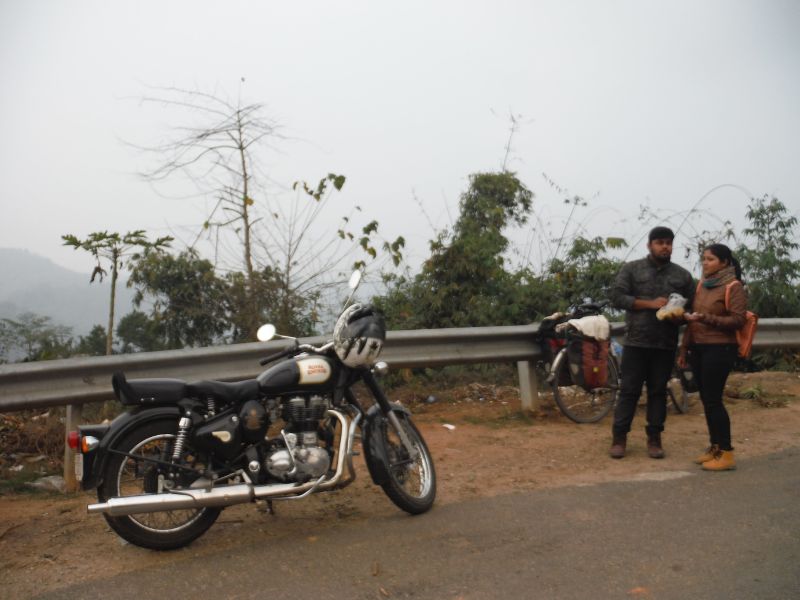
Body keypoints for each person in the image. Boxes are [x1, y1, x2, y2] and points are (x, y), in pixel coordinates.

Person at [608, 226, 694, 459]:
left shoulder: (683, 276)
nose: (665, 247)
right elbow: (616, 297)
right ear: (650, 245)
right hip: (636, 341)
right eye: (660, 242)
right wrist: (650, 304)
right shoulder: (632, 269)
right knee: (629, 391)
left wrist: (678, 316)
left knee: (658, 392)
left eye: (668, 243)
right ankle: (619, 438)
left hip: (665, 344)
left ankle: (654, 439)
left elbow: (692, 308)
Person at [677, 243, 747, 471]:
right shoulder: (702, 285)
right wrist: (684, 349)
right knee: (707, 399)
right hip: (699, 347)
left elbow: (738, 320)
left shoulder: (733, 286)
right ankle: (715, 447)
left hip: (720, 348)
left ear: (724, 262)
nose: (705, 263)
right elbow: (692, 321)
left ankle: (727, 453)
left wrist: (707, 318)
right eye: (704, 259)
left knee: (714, 400)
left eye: (710, 259)